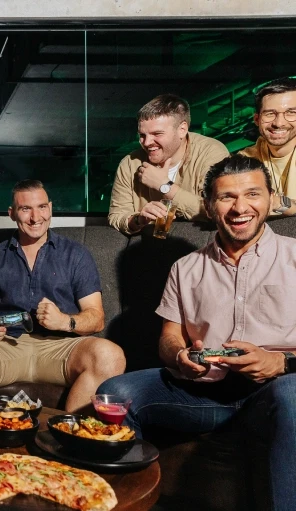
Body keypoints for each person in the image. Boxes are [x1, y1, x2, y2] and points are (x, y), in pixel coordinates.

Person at [98, 155, 296, 511]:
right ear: (208, 205)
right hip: (205, 395)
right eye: (226, 197)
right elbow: (169, 337)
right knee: (115, 392)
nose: (240, 208)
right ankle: (124, 503)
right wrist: (180, 356)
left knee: (294, 394)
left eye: (252, 194)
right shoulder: (185, 268)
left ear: (269, 198)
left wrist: (281, 361)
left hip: (276, 393)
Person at [0, 179, 125, 412]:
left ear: (50, 208)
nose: (35, 217)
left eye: (41, 207)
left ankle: (69, 434)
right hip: (8, 345)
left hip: (61, 348)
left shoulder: (76, 254)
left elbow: (96, 318)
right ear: (12, 213)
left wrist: (65, 321)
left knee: (111, 355)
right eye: (25, 209)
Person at [108, 94, 229, 235]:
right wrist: (139, 219)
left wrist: (165, 186)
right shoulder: (130, 163)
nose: (147, 143)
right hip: (150, 248)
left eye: (157, 134)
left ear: (182, 129)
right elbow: (116, 215)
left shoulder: (211, 153)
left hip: (201, 247)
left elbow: (219, 211)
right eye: (142, 135)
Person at [238, 77, 296, 216]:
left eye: (291, 113)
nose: (279, 123)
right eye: (270, 114)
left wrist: (277, 203)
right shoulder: (244, 160)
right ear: (257, 120)